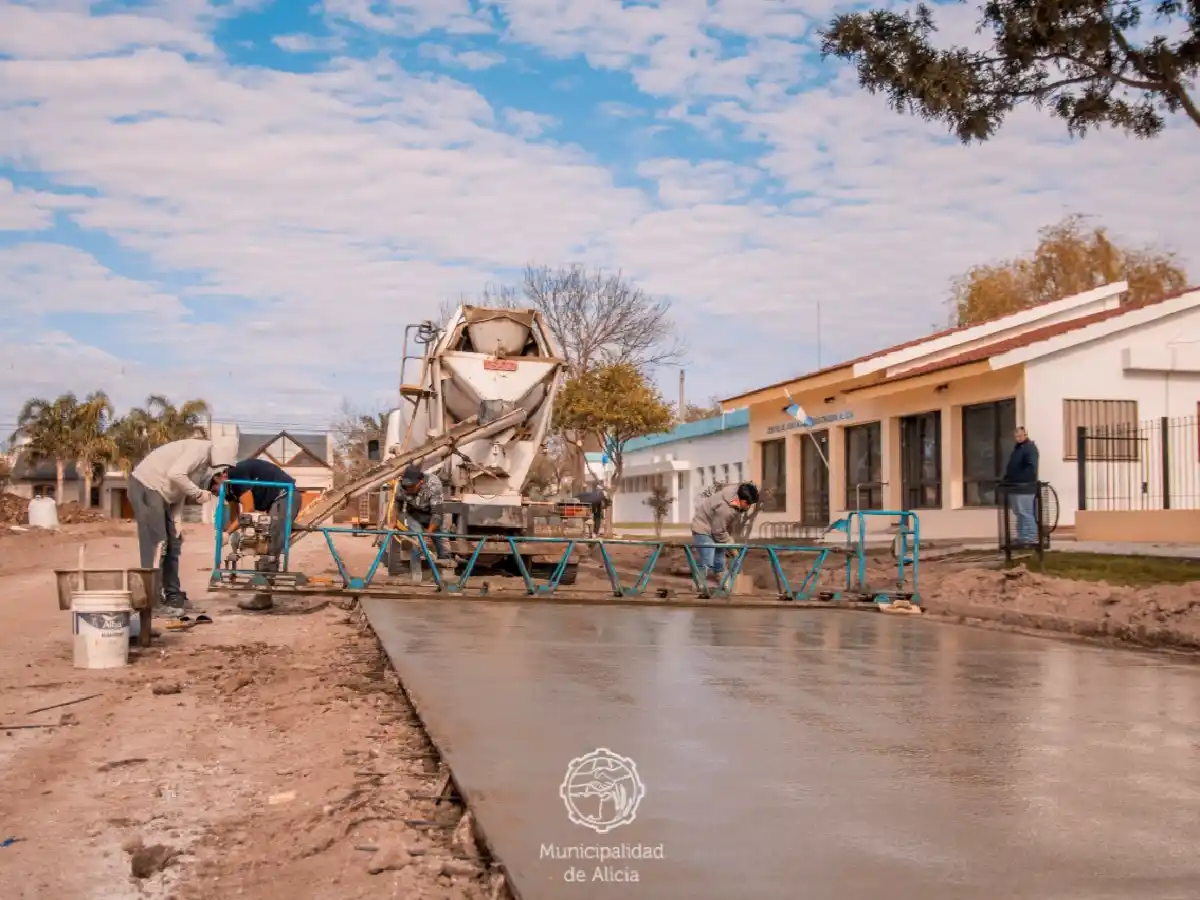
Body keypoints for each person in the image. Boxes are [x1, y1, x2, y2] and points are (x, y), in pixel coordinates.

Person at [129, 437, 229, 618]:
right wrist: (198, 493)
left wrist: (176, 524)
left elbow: (177, 495)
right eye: (216, 485)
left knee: (173, 543)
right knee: (157, 545)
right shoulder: (201, 450)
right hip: (147, 485)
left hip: (162, 495)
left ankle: (173, 596)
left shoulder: (200, 468)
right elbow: (175, 474)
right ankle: (152, 602)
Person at [210, 457, 303, 611]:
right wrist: (232, 533)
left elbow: (248, 509)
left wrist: (227, 533)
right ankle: (263, 591)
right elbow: (236, 512)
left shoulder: (236, 473)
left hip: (285, 496)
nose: (215, 494)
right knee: (264, 539)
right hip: (276, 502)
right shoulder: (229, 488)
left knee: (270, 545)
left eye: (214, 490)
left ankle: (263, 598)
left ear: (220, 477)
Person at [690, 482, 759, 583]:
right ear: (740, 499)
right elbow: (718, 531)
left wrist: (730, 543)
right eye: (747, 504)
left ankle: (724, 585)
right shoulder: (726, 508)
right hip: (702, 527)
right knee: (707, 556)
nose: (748, 507)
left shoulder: (737, 495)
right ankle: (698, 585)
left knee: (720, 559)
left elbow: (724, 527)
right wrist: (731, 546)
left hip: (717, 528)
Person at [397, 465, 450, 562]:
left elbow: (437, 513)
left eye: (412, 486)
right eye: (406, 486)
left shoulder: (434, 484)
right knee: (417, 540)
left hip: (433, 514)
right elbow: (397, 503)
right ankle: (416, 568)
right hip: (414, 514)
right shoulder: (401, 485)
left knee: (442, 545)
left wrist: (428, 533)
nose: (408, 489)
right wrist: (393, 521)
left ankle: (444, 564)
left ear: (420, 482)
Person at [1002, 426, 1040, 545]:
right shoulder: (1018, 449)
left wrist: (1019, 479)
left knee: (1025, 512)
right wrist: (1007, 479)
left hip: (1025, 487)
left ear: (1025, 435)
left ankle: (1030, 537)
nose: (1018, 438)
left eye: (1020, 436)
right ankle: (1022, 537)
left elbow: (1031, 468)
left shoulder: (1030, 449)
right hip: (1015, 487)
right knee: (1019, 513)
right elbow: (1012, 467)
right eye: (1016, 436)